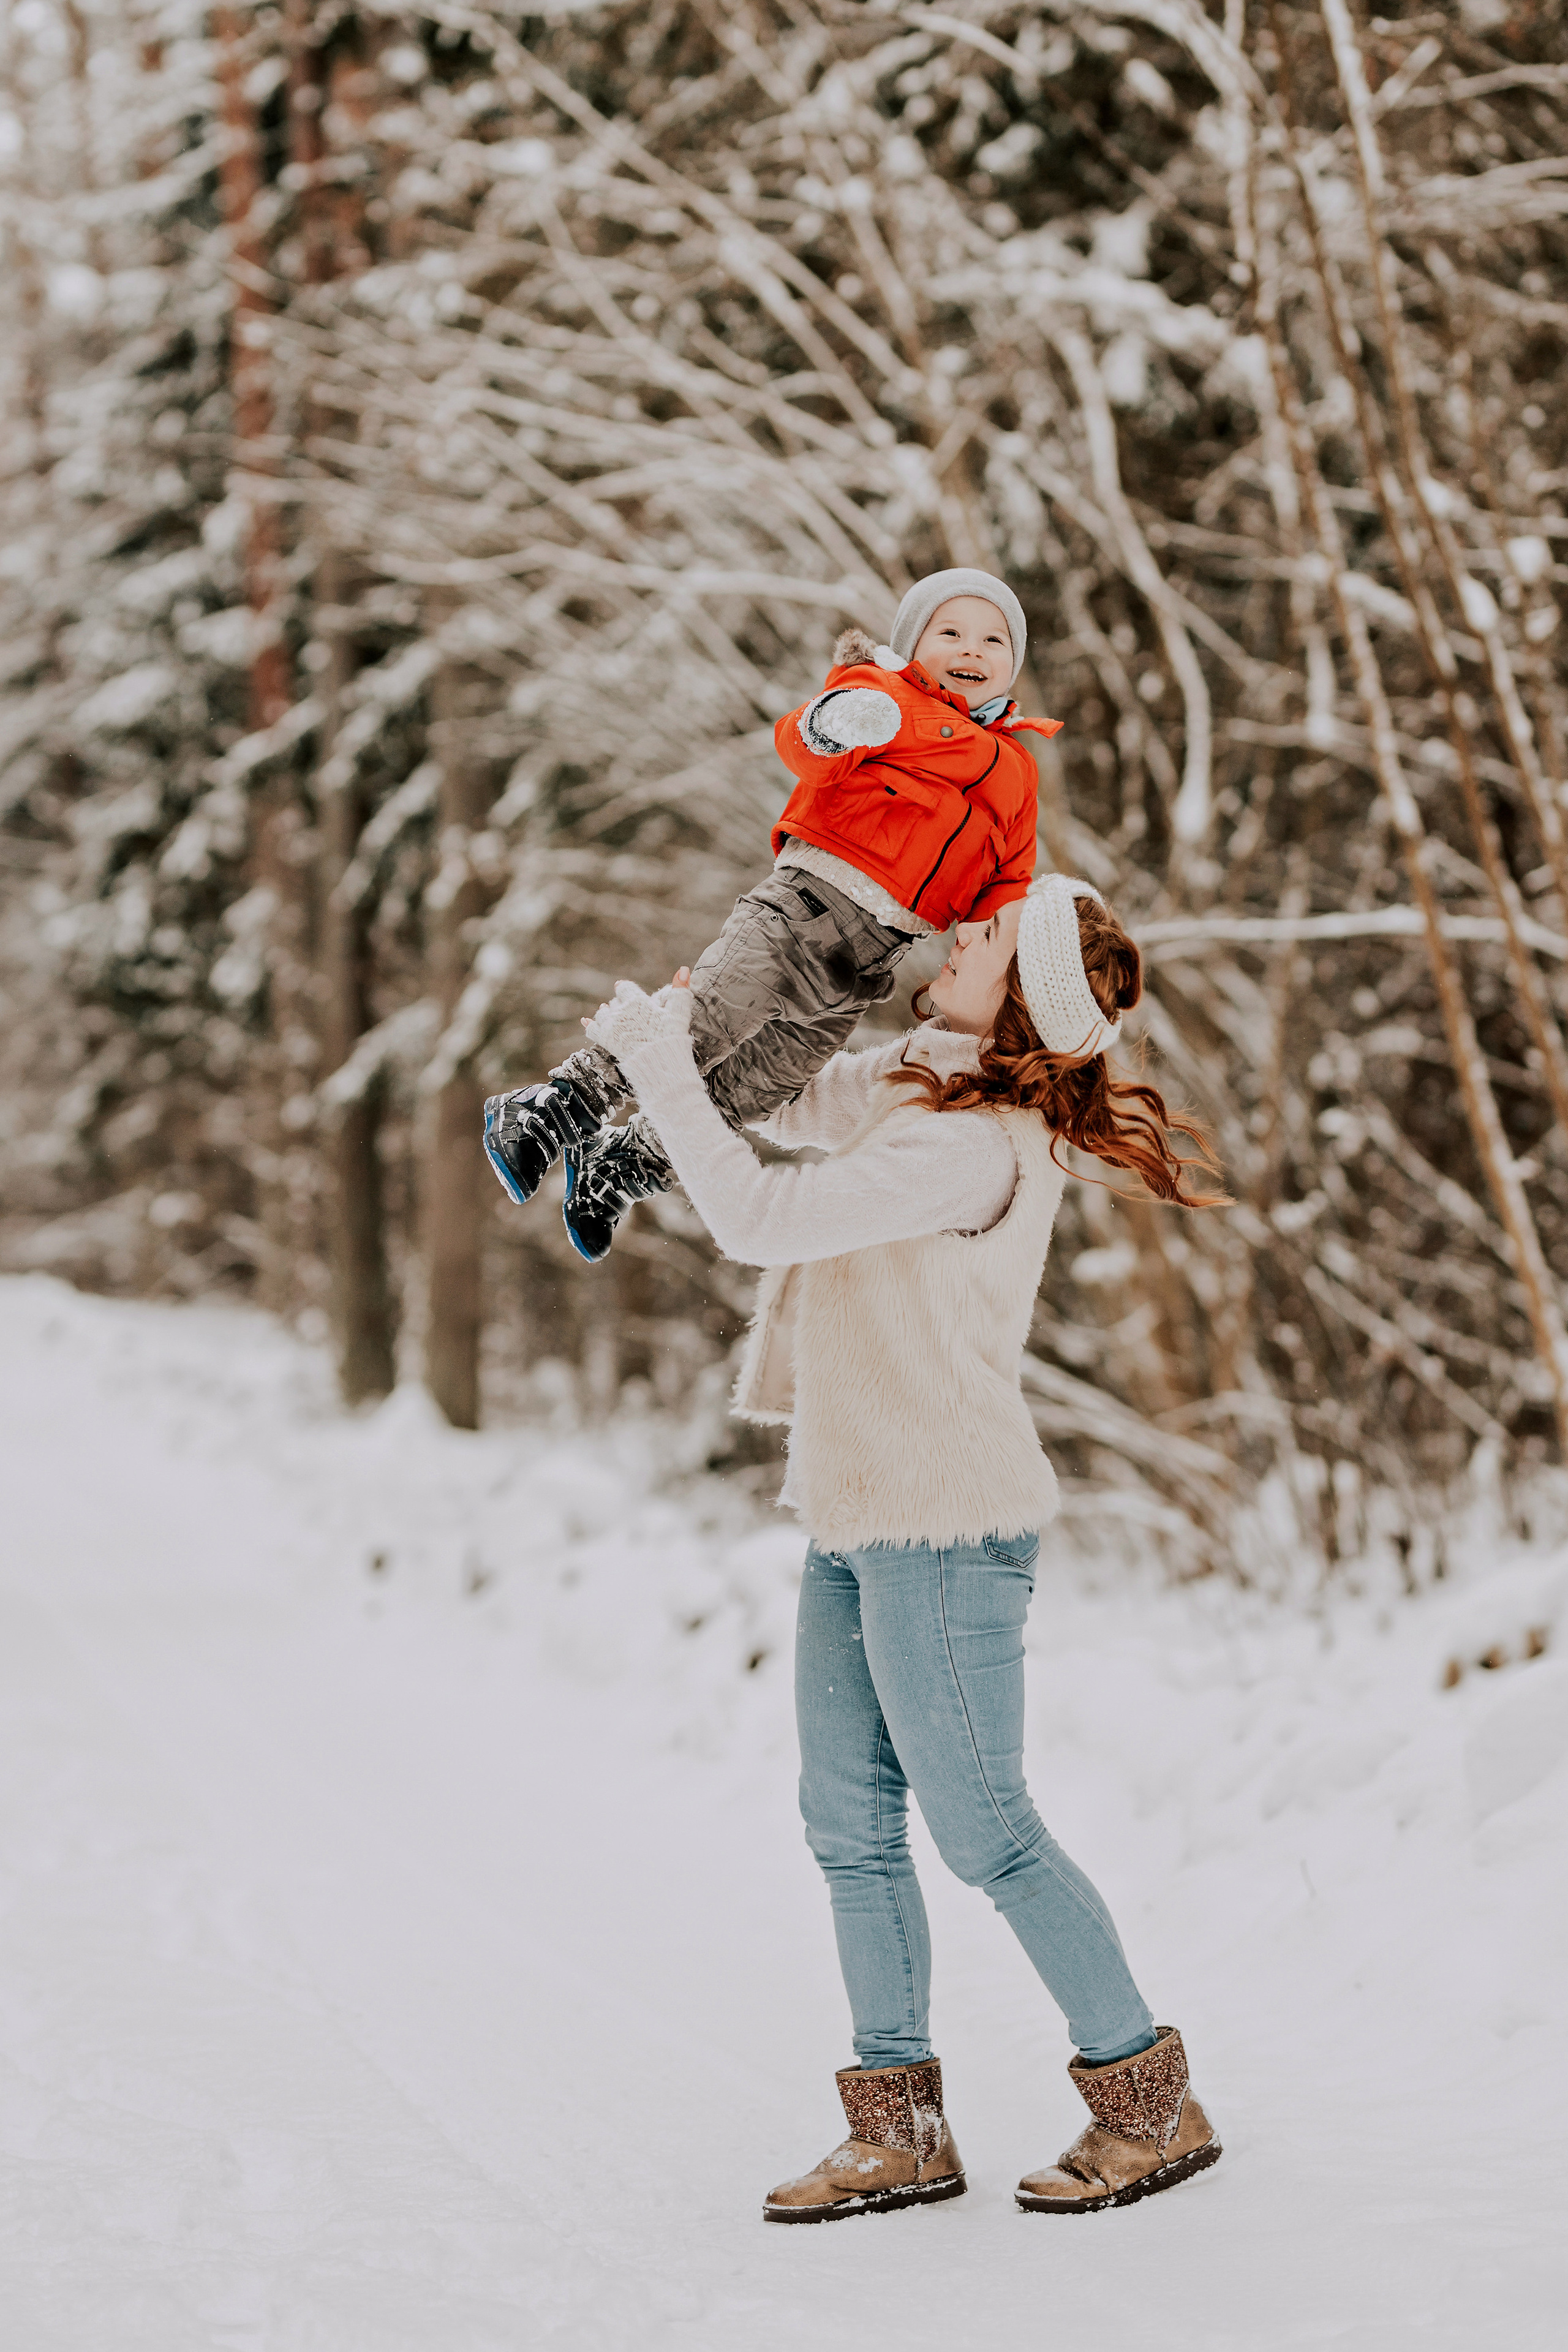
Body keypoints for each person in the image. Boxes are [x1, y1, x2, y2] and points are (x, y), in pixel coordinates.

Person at [580, 873, 1227, 2225]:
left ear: (1019, 1003)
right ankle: (901, 2130)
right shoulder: (924, 1085)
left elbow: (758, 1216)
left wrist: (649, 1061)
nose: (962, 930)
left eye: (991, 936)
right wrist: (723, 1022)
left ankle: (1147, 2103)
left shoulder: (972, 1146)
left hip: (942, 1520)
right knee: (847, 1829)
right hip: (854, 1507)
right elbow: (788, 1101)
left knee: (986, 1835)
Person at [481, 568, 1062, 1261]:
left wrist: (1002, 955)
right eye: (952, 632)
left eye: (993, 639)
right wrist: (830, 727)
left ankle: (624, 1166)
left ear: (1011, 665)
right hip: (801, 911)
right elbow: (800, 743)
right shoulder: (885, 696)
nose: (973, 649)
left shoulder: (1017, 772)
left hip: (869, 964)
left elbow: (1007, 879)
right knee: (705, 1023)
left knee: (765, 1080)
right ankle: (555, 1107)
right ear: (913, 646)